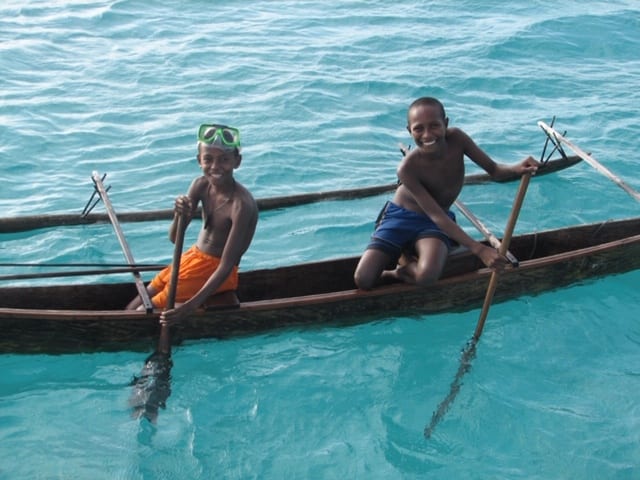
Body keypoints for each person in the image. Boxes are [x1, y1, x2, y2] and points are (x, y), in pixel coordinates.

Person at [353, 97, 540, 290]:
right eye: (419, 128)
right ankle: (402, 261)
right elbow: (437, 215)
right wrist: (479, 249)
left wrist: (517, 168)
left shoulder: (458, 139)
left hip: (433, 223)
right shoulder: (406, 168)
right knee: (364, 279)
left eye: (434, 125)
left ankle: (401, 270)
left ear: (446, 123)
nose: (427, 134)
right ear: (409, 131)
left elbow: (494, 170)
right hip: (400, 218)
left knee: (427, 276)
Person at [127, 123, 258, 325]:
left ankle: (127, 327)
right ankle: (120, 321)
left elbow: (226, 266)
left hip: (218, 271)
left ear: (237, 161)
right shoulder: (200, 185)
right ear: (199, 160)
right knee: (142, 295)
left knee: (145, 308)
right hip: (192, 257)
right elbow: (174, 238)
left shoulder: (241, 205)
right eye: (208, 159)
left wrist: (188, 307)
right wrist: (180, 214)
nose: (215, 166)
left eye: (224, 160)